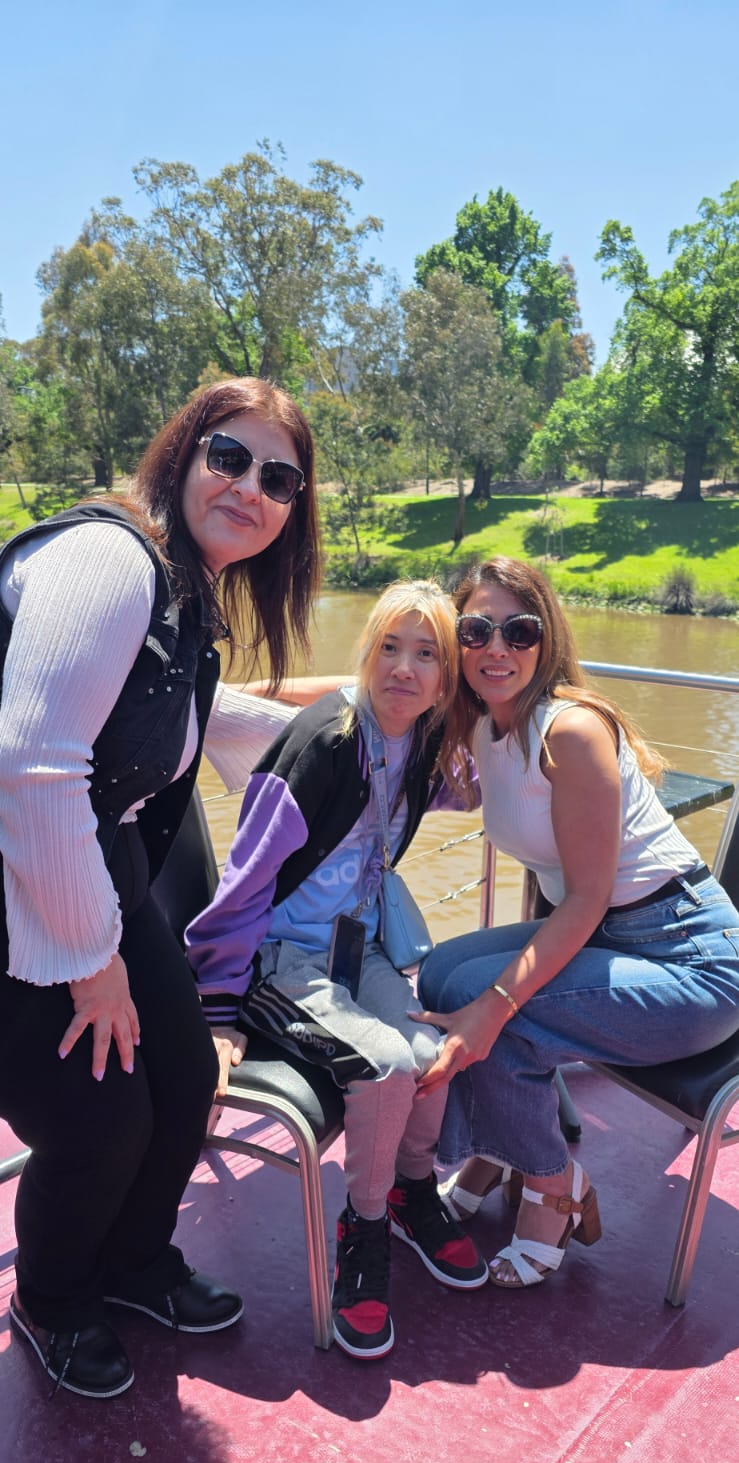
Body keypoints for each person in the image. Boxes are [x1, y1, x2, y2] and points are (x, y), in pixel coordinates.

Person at [0, 376, 321, 1397]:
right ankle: (53, 1299)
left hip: (99, 870)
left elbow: (188, 720)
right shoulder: (109, 560)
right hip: (17, 880)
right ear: (183, 454)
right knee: (100, 1119)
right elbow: (31, 766)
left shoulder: (181, 596)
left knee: (183, 1082)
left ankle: (134, 1263)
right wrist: (91, 963)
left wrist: (382, 727)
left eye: (278, 478)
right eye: (229, 456)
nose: (249, 487)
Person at [414, 556, 739, 1290]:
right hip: (608, 937)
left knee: (501, 1014)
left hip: (689, 958)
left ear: (546, 639)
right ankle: (495, 1154)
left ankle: (553, 1186)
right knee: (441, 973)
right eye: (476, 630)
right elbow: (368, 686)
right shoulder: (488, 725)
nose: (497, 648)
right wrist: (242, 700)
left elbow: (587, 899)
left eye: (519, 630)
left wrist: (496, 1004)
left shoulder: (571, 731)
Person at [186, 581, 489, 1362]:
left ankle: (409, 1189)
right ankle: (364, 1227)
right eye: (388, 647)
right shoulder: (324, 743)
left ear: (446, 678)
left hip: (358, 947)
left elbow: (472, 787)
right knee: (386, 1065)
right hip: (278, 957)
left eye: (426, 655)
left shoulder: (422, 745)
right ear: (365, 654)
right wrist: (216, 1011)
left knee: (432, 1052)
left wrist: (508, 714)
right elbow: (245, 879)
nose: (403, 669)